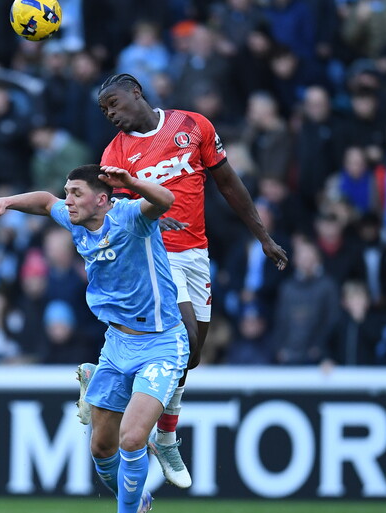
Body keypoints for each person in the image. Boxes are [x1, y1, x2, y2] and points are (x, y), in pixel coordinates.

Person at [86, 73, 288, 489]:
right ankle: (166, 436)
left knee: (191, 357)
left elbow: (229, 183)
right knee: (186, 340)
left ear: (136, 92)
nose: (110, 114)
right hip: (154, 260)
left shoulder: (193, 126)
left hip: (196, 254)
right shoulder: (115, 154)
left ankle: (109, 381)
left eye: (113, 103)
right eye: (104, 110)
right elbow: (115, 218)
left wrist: (263, 237)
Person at [0, 164, 187, 513]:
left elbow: (165, 200)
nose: (67, 201)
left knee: (132, 438)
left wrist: (132, 183)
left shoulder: (130, 217)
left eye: (76, 193)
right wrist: (6, 201)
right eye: (67, 192)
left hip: (160, 343)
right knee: (102, 450)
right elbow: (43, 202)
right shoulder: (75, 219)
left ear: (102, 199)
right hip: (117, 344)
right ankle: (137, 504)